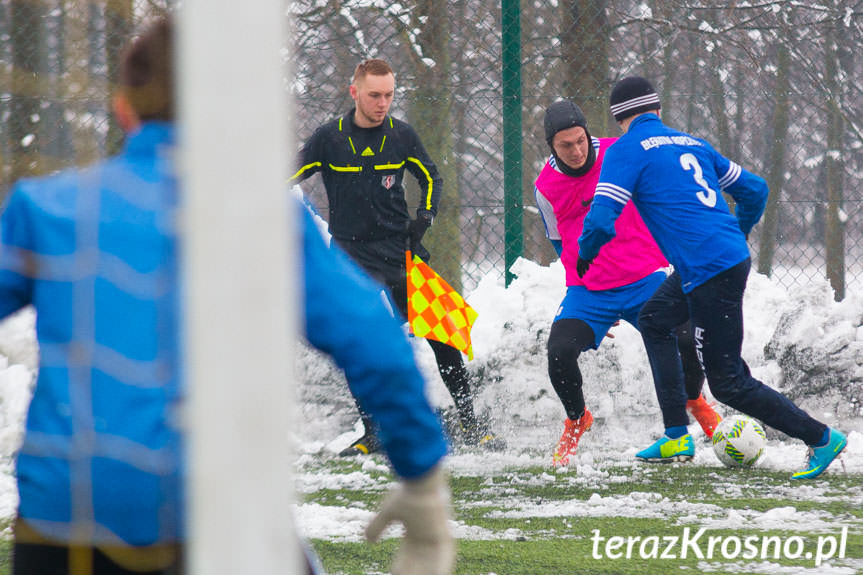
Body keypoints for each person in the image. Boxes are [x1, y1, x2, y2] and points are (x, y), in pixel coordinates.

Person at [2, 18, 454, 575]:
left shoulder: (46, 208)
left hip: (63, 518)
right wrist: (423, 480)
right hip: (214, 514)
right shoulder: (261, 218)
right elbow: (374, 340)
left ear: (124, 109)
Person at [578, 76, 847, 479]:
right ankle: (675, 434)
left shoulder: (626, 150)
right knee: (654, 318)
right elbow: (755, 189)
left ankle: (822, 438)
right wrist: (736, 232)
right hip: (716, 261)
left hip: (709, 272)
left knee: (728, 382)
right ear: (657, 110)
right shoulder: (692, 143)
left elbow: (601, 219)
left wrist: (585, 252)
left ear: (619, 118)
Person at [293, 58, 502, 454]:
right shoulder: (329, 138)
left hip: (399, 253)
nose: (382, 102)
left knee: (444, 334)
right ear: (354, 92)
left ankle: (473, 426)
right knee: (358, 340)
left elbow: (431, 177)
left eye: (388, 94)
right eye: (374, 95)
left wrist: (424, 217)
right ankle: (372, 433)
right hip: (350, 259)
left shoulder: (402, 136)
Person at [534, 100, 720, 467]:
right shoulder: (545, 187)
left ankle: (693, 398)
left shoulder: (621, 153)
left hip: (645, 277)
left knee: (688, 337)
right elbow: (561, 243)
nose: (575, 150)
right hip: (589, 292)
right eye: (565, 146)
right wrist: (592, 303)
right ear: (551, 148)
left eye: (579, 140)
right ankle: (577, 419)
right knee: (559, 353)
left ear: (587, 133)